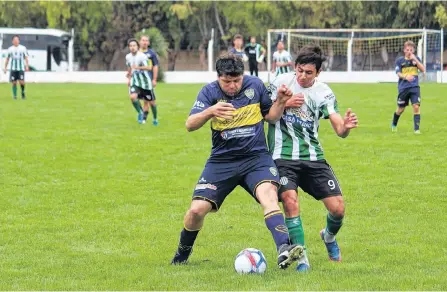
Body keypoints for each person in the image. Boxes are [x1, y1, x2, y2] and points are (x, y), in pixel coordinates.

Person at [171, 53, 304, 269]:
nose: (233, 86)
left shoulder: (255, 85)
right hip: (221, 162)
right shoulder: (209, 92)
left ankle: (284, 248)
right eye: (227, 81)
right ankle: (182, 254)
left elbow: (270, 116)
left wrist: (280, 101)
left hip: (256, 158)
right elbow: (190, 125)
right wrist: (210, 111)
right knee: (196, 211)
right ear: (218, 78)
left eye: (237, 80)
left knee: (269, 197)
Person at [267, 44, 359, 271]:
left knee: (338, 209)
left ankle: (328, 237)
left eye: (309, 73)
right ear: (294, 67)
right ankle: (302, 258)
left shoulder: (323, 92)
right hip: (282, 156)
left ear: (318, 73)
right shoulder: (280, 83)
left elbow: (338, 127)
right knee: (289, 200)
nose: (303, 76)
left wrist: (345, 127)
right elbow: (266, 114)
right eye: (299, 70)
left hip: (313, 157)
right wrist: (284, 103)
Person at [391, 40, 425, 134]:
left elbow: (423, 69)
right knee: (400, 109)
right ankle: (394, 123)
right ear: (404, 50)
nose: (409, 51)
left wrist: (416, 60)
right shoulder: (400, 61)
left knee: (416, 106)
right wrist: (405, 76)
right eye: (407, 49)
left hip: (414, 87)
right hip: (403, 88)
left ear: (413, 50)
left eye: (411, 49)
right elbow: (398, 73)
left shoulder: (416, 59)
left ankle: (416, 129)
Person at [125, 38, 153, 124]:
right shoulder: (128, 57)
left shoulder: (143, 56)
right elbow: (129, 68)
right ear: (129, 47)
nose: (132, 47)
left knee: (146, 101)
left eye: (134, 45)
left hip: (144, 81)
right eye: (131, 46)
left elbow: (149, 67)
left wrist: (138, 67)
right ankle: (140, 112)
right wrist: (129, 78)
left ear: (137, 46)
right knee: (133, 97)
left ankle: (145, 117)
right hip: (135, 81)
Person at [139, 35, 160, 126]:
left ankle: (155, 118)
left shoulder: (151, 54)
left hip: (148, 81)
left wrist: (154, 79)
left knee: (150, 101)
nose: (144, 42)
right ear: (139, 41)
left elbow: (155, 67)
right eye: (143, 40)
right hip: (139, 81)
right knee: (141, 100)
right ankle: (142, 117)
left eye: (146, 40)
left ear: (148, 43)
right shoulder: (136, 53)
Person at [3, 35, 29, 100]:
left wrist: (27, 66)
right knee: (14, 82)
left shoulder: (23, 48)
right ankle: (15, 96)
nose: (16, 41)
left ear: (19, 41)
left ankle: (23, 93)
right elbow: (7, 59)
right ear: (12, 41)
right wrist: (5, 67)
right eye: (14, 40)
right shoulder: (10, 49)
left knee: (21, 82)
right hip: (13, 68)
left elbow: (26, 57)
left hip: (21, 68)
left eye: (17, 40)